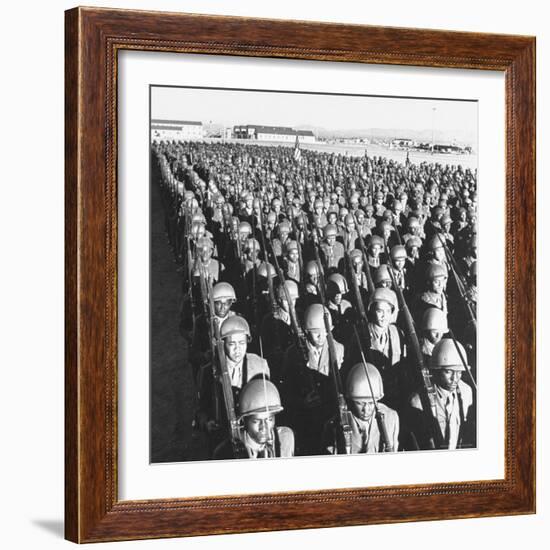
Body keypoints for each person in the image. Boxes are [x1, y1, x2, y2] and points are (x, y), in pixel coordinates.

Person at [281, 304, 344, 455]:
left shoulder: (338, 349)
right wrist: (301, 402)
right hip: (305, 419)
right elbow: (285, 391)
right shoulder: (293, 354)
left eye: (325, 331)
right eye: (316, 333)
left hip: (331, 413)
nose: (321, 337)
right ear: (306, 331)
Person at [408, 339, 474, 450]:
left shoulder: (466, 392)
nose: (455, 378)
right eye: (448, 371)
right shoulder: (418, 401)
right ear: (437, 371)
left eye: (459, 372)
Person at [323, 362, 399, 454]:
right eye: (360, 404)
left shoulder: (391, 418)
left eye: (371, 403)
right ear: (351, 400)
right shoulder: (336, 425)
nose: (366, 410)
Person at [213, 378, 295, 459]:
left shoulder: (284, 438)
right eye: (256, 421)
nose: (263, 427)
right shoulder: (226, 451)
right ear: (244, 420)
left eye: (269, 419)